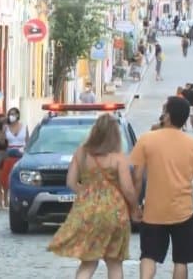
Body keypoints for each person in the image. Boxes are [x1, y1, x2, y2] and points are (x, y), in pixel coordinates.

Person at [48, 114, 141, 279]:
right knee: (114, 264)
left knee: (88, 263)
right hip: (114, 211)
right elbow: (127, 189)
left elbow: (70, 182)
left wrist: (87, 194)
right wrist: (134, 208)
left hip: (87, 211)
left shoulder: (81, 153)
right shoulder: (118, 157)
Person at [130, 96, 193, 279]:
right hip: (183, 212)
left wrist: (134, 206)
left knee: (148, 256)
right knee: (181, 260)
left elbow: (137, 177)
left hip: (153, 212)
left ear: (167, 116)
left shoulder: (146, 140)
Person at [0, 107, 29, 200]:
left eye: (14, 114)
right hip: (10, 154)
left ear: (18, 115)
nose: (12, 116)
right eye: (10, 114)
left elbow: (28, 141)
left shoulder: (24, 126)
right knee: (6, 176)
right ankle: (5, 197)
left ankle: (19, 196)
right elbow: (2, 143)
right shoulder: (6, 127)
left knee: (20, 176)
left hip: (21, 154)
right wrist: (2, 132)